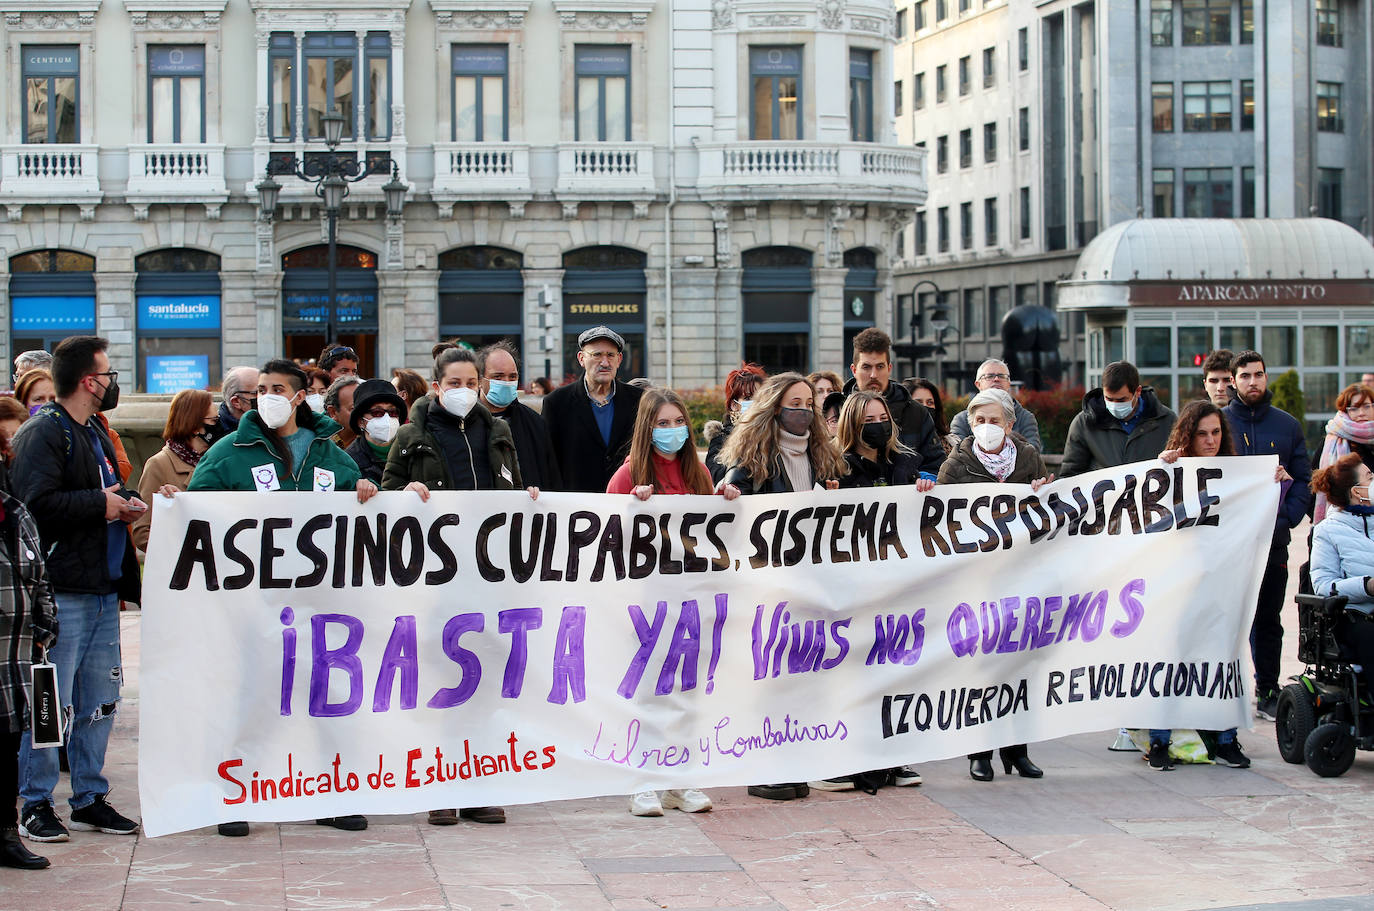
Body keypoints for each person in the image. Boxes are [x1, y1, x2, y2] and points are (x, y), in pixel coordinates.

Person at [186, 358, 376, 837]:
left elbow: (360, 510)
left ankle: (333, 795)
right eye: (261, 388)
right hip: (252, 605)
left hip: (318, 605)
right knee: (250, 701)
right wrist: (177, 501)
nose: (266, 396)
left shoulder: (329, 454)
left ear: (298, 397)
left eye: (277, 388)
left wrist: (371, 492)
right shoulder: (231, 451)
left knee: (326, 702)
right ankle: (233, 796)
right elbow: (197, 512)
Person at [383, 346, 536, 827]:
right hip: (436, 583)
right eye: (455, 384)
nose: (465, 392)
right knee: (440, 686)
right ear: (435, 387)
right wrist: (403, 495)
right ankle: (439, 785)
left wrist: (526, 497)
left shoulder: (499, 432)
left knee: (485, 685)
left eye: (472, 384)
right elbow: (385, 493)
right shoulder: (412, 436)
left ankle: (477, 786)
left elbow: (508, 487)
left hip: (489, 580)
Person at [12, 336, 143, 844]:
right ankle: (36, 801)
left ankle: (89, 795)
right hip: (60, 592)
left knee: (99, 701)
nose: (113, 383)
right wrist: (102, 505)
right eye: (108, 374)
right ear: (90, 381)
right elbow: (33, 504)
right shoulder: (43, 433)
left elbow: (100, 494)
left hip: (101, 589)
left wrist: (125, 501)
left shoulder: (92, 433)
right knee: (50, 700)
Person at [606, 387, 736, 816]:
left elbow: (712, 534)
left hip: (692, 602)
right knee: (647, 694)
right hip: (645, 604)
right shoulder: (627, 476)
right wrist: (632, 508)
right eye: (663, 424)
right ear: (647, 428)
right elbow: (606, 539)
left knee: (687, 692)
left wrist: (726, 502)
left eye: (679, 422)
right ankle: (643, 780)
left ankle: (681, 780)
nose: (673, 431)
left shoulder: (699, 472)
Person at [719, 372, 846, 802]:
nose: (804, 410)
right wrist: (729, 496)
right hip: (766, 588)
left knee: (799, 678)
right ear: (775, 407)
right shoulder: (753, 461)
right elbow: (729, 512)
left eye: (809, 402)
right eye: (794, 402)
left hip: (810, 585)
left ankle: (793, 762)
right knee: (768, 678)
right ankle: (762, 766)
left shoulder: (823, 457)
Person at [1150, 400, 1286, 770]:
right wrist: (1162, 467)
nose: (1210, 441)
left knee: (1224, 659)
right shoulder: (1172, 471)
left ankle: (1226, 740)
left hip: (1223, 582)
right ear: (1187, 435)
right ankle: (1159, 740)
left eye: (1216, 433)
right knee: (1172, 660)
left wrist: (1272, 485)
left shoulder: (1235, 474)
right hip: (1178, 583)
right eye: (1202, 434)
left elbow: (1255, 518)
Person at [816, 389, 930, 793]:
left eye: (882, 417)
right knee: (851, 672)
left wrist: (925, 496)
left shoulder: (908, 464)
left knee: (895, 669)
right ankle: (842, 757)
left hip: (898, 584)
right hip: (852, 585)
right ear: (850, 424)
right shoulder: (834, 468)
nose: (877, 425)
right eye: (867, 420)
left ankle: (893, 755)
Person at [937, 388, 1052, 781]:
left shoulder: (1029, 458)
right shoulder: (957, 464)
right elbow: (941, 521)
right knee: (981, 666)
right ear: (971, 423)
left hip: (1020, 574)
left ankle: (1017, 750)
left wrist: (1043, 494)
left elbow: (1046, 512)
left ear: (1009, 423)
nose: (987, 428)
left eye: (994, 420)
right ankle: (979, 751)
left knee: (1019, 664)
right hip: (978, 580)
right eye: (979, 420)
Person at [1225, 350, 1312, 720]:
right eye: (1245, 376)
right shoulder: (1220, 423)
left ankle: (1269, 687)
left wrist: (1286, 519)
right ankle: (1223, 690)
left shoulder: (1287, 425)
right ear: (1233, 381)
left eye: (1258, 374)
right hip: (1227, 545)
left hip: (1273, 542)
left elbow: (1303, 478)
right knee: (1225, 617)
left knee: (1268, 620)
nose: (1253, 382)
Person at [0, 424, 58, 870]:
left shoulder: (14, 512)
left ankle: (4, 835)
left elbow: (38, 576)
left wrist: (46, 624)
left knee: (6, 743)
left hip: (14, 654)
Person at [541, 327, 644, 492]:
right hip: (576, 506)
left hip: (627, 502)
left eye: (610, 355)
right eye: (596, 355)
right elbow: (548, 460)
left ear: (619, 359)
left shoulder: (639, 400)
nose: (604, 362)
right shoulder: (557, 403)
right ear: (581, 358)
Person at [1309, 453, 1374, 696]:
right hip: (1352, 616)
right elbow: (1323, 586)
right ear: (1357, 491)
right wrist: (1366, 586)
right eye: (1370, 476)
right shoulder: (1328, 531)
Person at [842, 329, 945, 474]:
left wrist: (923, 478)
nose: (873, 375)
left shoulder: (916, 413)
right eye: (866, 367)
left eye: (880, 367)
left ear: (889, 368)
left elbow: (936, 464)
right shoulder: (838, 410)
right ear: (854, 370)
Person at [131, 389, 217, 552]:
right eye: (213, 420)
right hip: (184, 570)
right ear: (195, 426)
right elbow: (143, 533)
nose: (218, 425)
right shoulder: (159, 464)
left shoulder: (215, 461)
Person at [1061, 361, 1176, 478]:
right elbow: (1071, 474)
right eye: (1109, 399)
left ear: (1138, 392)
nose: (1114, 405)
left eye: (1121, 400)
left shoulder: (1167, 421)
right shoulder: (1084, 423)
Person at [478, 341, 561, 489]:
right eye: (498, 377)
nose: (506, 382)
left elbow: (550, 476)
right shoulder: (465, 421)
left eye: (512, 377)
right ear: (480, 380)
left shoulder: (534, 423)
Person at [949, 359, 1043, 451]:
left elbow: (1032, 452)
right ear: (978, 384)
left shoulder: (1025, 418)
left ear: (1008, 383)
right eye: (989, 376)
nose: (996, 379)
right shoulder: (961, 420)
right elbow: (958, 453)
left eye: (1001, 376)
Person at [1313, 383, 1374, 524]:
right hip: (1341, 522)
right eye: (1354, 408)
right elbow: (1316, 483)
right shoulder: (1333, 441)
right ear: (1345, 412)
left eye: (1366, 406)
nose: (1361, 413)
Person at [705, 362, 766, 484]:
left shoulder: (773, 433)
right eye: (748, 398)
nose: (755, 403)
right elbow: (718, 477)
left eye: (759, 398)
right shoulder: (720, 439)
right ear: (734, 405)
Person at [344, 380, 407, 485]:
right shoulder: (349, 461)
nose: (387, 418)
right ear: (361, 421)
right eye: (377, 413)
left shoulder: (413, 452)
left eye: (393, 413)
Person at [906, 378, 956, 453]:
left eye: (930, 403)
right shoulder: (894, 444)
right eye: (918, 402)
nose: (925, 407)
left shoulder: (952, 444)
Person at [212, 365, 261, 442]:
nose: (266, 397)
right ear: (236, 401)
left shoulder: (275, 427)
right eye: (258, 392)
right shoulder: (212, 437)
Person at [325, 375, 361, 451]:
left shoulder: (374, 441)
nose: (362, 413)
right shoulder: (320, 444)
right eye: (354, 408)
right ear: (333, 412)